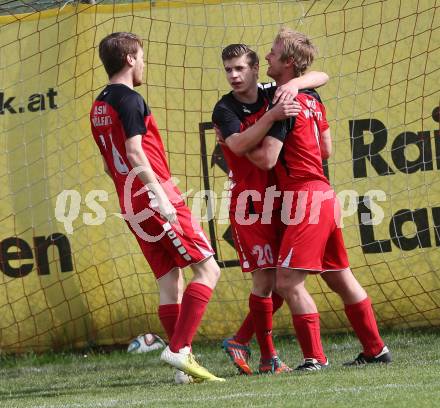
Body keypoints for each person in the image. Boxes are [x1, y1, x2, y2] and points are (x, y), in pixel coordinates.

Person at [243, 27, 391, 370]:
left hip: (305, 198)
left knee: (287, 281)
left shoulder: (285, 101)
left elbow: (266, 159)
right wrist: (298, 84)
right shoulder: (308, 95)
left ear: (290, 62)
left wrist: (238, 143)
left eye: (273, 52)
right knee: (340, 277)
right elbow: (326, 148)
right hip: (323, 193)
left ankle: (314, 358)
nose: (266, 56)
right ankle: (375, 350)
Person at [90, 32, 224, 383]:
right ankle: (179, 349)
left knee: (169, 282)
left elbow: (109, 164)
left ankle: (183, 369)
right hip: (154, 197)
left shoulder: (98, 104)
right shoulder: (129, 99)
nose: (145, 63)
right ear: (130, 59)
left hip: (129, 200)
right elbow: (134, 152)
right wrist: (160, 195)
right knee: (209, 271)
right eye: (142, 57)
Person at [212, 44, 329, 374]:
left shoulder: (271, 92)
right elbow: (237, 144)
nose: (234, 76)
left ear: (253, 70)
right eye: (228, 70)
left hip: (282, 201)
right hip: (250, 204)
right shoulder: (224, 109)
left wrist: (294, 85)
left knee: (283, 281)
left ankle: (242, 342)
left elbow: (322, 75)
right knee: (265, 282)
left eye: (239, 68)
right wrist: (272, 116)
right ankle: (269, 358)